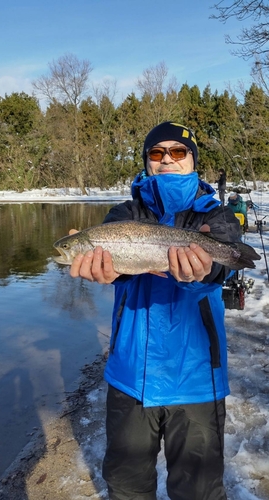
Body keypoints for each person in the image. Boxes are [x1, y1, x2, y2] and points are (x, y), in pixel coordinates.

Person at [70, 122, 242, 500]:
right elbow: (116, 270)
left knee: (199, 492)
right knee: (127, 488)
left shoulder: (216, 217)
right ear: (147, 162)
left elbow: (223, 264)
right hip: (129, 376)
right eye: (156, 153)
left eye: (178, 152)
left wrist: (206, 269)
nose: (167, 159)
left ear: (193, 160)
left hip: (198, 378)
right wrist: (107, 271)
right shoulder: (124, 213)